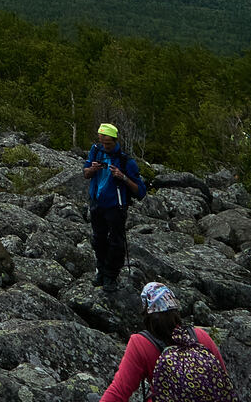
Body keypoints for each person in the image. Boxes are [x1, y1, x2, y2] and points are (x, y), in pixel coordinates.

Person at [98, 282, 234, 402]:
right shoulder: (200, 336)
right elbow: (223, 380)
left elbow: (119, 392)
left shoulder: (141, 343)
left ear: (146, 311)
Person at [84, 122, 146, 287]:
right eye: (102, 142)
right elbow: (85, 173)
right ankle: (101, 271)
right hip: (97, 204)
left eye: (108, 144)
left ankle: (111, 276)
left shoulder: (126, 161)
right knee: (99, 240)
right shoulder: (96, 151)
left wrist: (123, 177)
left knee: (116, 242)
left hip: (116, 206)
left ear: (115, 141)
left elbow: (141, 191)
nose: (105, 146)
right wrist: (92, 169)